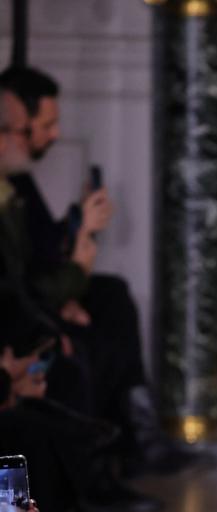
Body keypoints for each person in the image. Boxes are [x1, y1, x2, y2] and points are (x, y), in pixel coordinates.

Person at [0, 66, 193, 477]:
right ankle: (96, 479)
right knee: (77, 351)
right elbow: (21, 282)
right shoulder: (8, 186)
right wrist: (67, 290)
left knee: (112, 297)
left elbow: (38, 252)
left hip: (31, 305)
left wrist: (78, 228)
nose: (54, 135)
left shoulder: (16, 184)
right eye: (45, 125)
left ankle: (134, 436)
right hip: (21, 317)